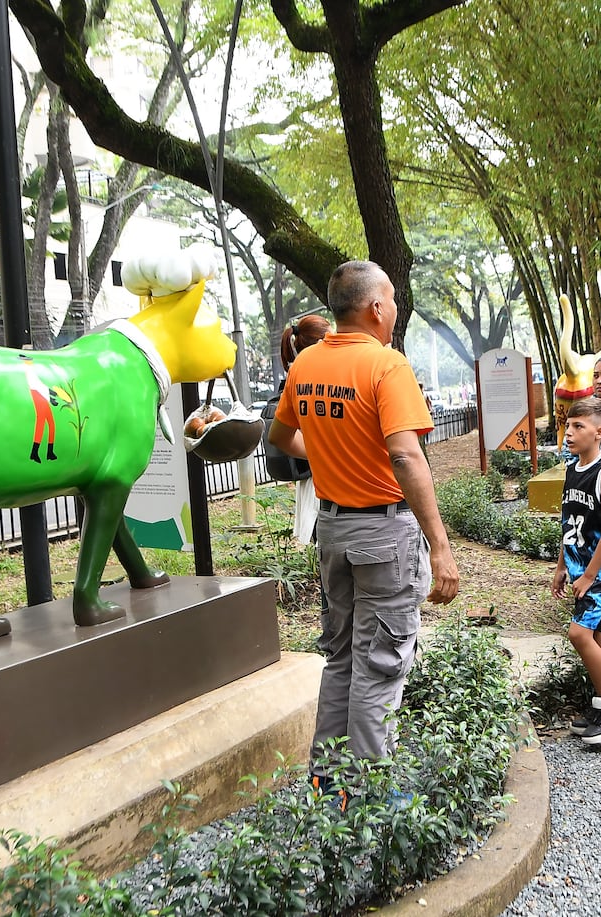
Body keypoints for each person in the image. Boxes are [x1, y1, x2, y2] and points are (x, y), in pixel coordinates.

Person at [269, 261, 459, 786]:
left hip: (332, 533)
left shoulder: (306, 364)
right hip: (383, 534)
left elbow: (281, 438)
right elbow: (406, 456)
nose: (396, 308)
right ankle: (371, 803)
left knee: (341, 658)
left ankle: (327, 784)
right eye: (393, 299)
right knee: (379, 665)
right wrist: (440, 546)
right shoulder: (387, 366)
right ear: (377, 308)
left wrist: (330, 457)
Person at [553, 396, 601, 745]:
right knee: (595, 637)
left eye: (578, 427)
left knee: (580, 635)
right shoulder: (572, 469)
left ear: (599, 432)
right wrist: (561, 567)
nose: (569, 433)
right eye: (568, 426)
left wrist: (589, 574)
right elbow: (569, 523)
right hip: (579, 569)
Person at [273, 314, 331, 544]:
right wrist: (325, 453)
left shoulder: (296, 377)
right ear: (320, 343)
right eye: (331, 337)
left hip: (312, 471)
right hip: (318, 475)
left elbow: (279, 435)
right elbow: (279, 435)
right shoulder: (311, 379)